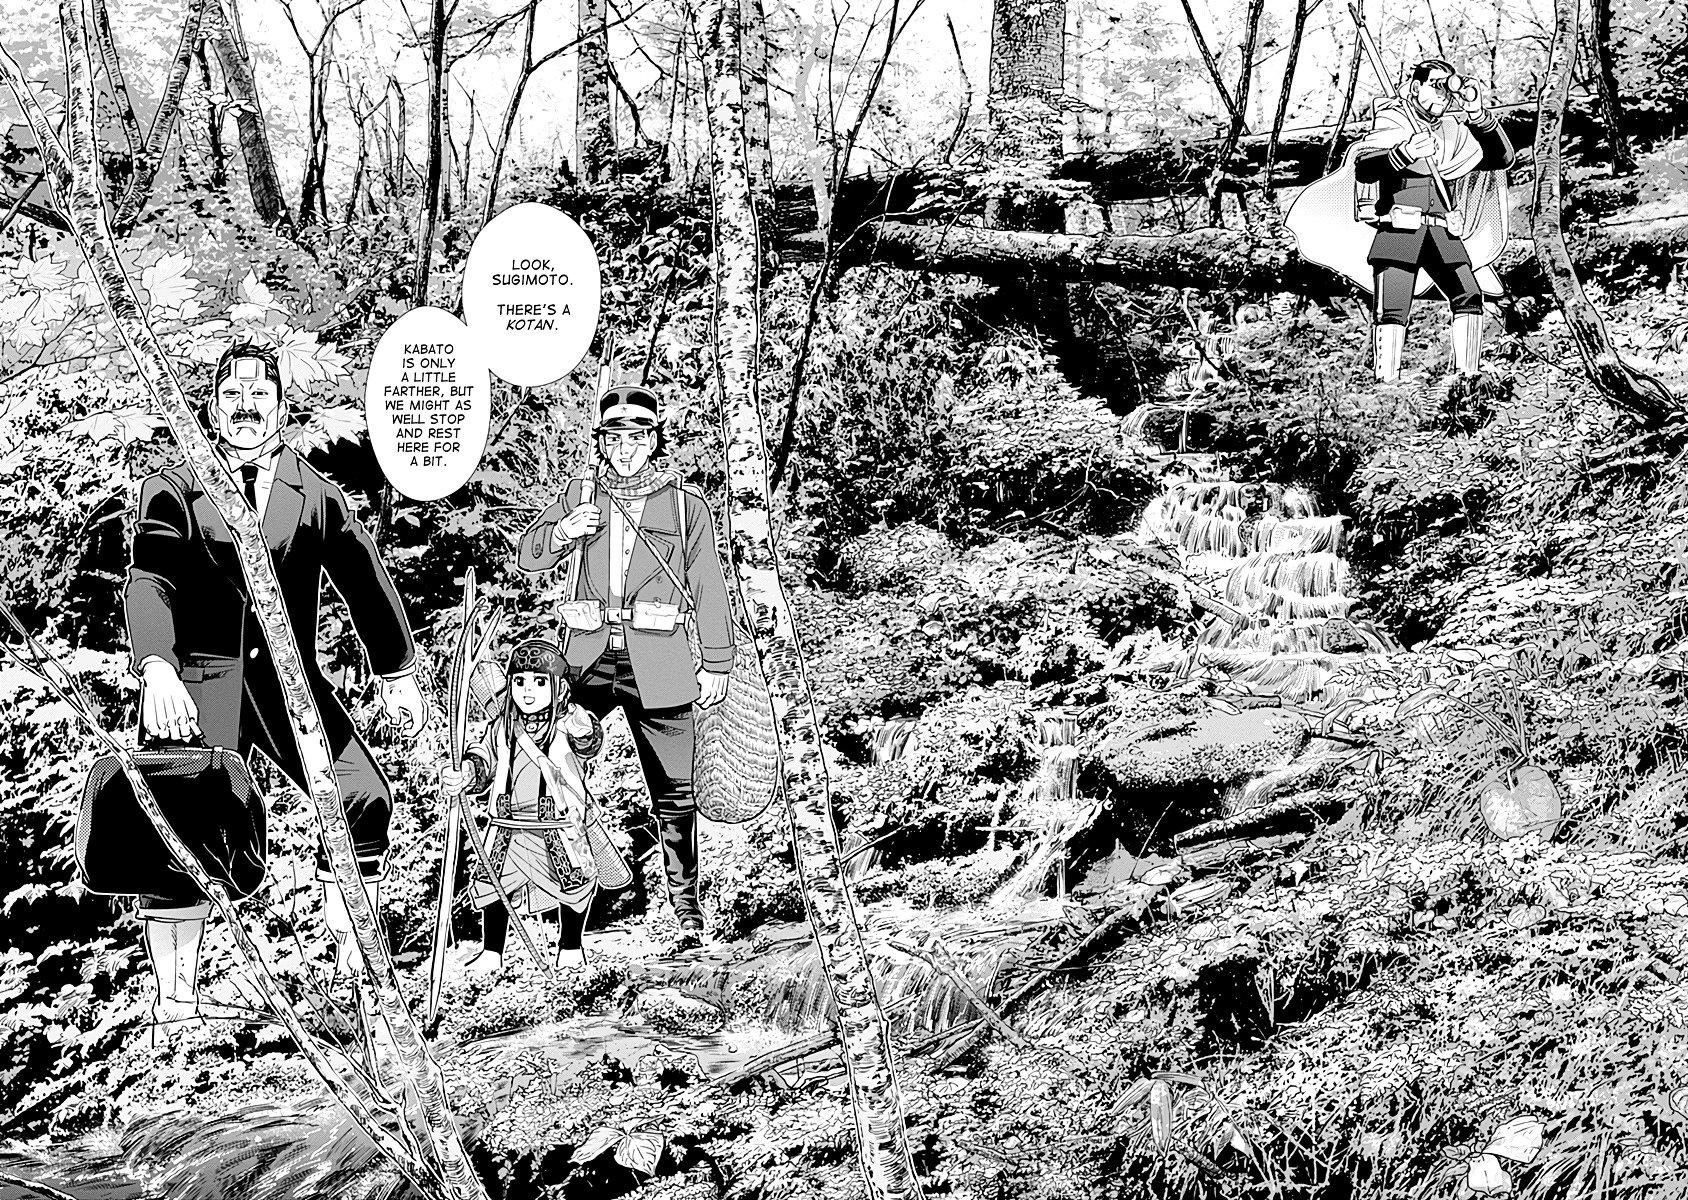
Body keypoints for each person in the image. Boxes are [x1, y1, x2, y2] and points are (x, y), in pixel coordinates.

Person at [125, 342, 426, 1027]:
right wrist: (157, 666)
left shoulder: (313, 492)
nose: (245, 407)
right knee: (181, 824)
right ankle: (176, 1005)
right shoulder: (174, 488)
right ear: (212, 409)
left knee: (361, 795)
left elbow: (365, 581)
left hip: (290, 685)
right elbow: (150, 580)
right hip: (197, 685)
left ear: (282, 409)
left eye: (259, 395)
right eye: (231, 396)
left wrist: (398, 672)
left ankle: (356, 975)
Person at [515, 383, 733, 949]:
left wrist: (716, 661)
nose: (626, 448)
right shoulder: (581, 494)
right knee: (545, 767)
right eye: (615, 437)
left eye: (638, 437)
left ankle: (687, 912)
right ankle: (560, 902)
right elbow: (528, 557)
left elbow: (709, 584)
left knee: (675, 794)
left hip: (659, 661)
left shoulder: (685, 506)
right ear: (602, 442)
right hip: (585, 658)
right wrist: (562, 532)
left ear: (655, 440)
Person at [1285, 57, 1514, 383]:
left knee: (1468, 296)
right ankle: (1387, 383)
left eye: (1447, 88)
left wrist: (1477, 113)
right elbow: (1365, 167)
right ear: (1415, 87)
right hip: (1400, 228)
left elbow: (1501, 158)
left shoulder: (1452, 132)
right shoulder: (1394, 119)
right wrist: (1405, 152)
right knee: (1392, 306)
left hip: (1442, 229)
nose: (1443, 94)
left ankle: (1467, 378)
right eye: (1435, 86)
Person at [438, 639, 620, 973]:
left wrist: (581, 724)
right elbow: (484, 758)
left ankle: (570, 947)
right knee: (493, 884)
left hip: (558, 822)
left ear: (559, 687)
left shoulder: (567, 721)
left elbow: (588, 743)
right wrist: (465, 772)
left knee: (575, 884)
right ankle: (492, 952)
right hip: (508, 823)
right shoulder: (503, 726)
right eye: (519, 681)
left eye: (539, 682)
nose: (528, 691)